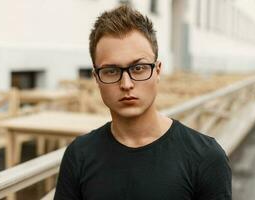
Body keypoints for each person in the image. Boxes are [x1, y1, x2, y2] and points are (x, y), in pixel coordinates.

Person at [54, 5, 232, 200]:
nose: (126, 84)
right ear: (96, 78)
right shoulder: (79, 155)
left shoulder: (206, 157)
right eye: (111, 71)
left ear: (157, 71)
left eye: (138, 68)